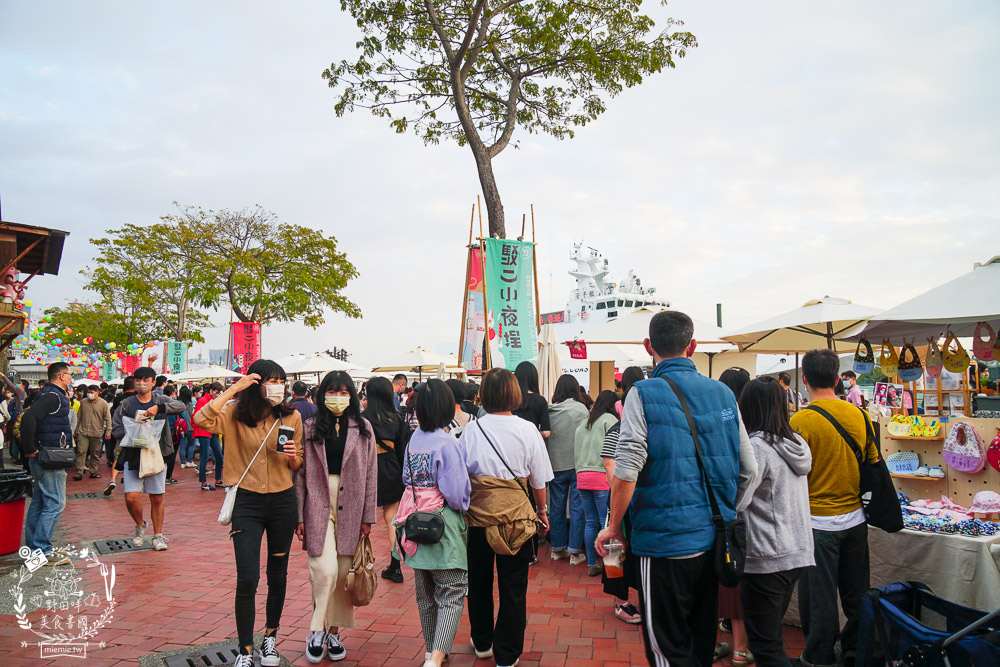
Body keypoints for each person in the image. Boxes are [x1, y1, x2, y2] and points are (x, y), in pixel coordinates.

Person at [596, 310, 758, 667]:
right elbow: (750, 470)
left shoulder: (642, 392)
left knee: (667, 649)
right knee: (701, 644)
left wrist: (614, 526)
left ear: (648, 346)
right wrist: (727, 511)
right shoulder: (723, 394)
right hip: (712, 543)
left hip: (662, 544)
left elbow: (627, 467)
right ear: (693, 346)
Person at [194, 359, 303, 667]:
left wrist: (293, 457)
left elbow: (298, 462)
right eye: (271, 381)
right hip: (247, 502)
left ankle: (270, 638)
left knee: (277, 574)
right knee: (248, 577)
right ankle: (245, 650)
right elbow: (201, 418)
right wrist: (234, 389)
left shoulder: (291, 416)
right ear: (255, 383)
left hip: (282, 502)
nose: (278, 387)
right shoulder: (234, 413)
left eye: (281, 381)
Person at [790, 349, 878, 667]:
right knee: (857, 594)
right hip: (855, 519)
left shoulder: (800, 421)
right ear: (838, 377)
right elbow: (871, 461)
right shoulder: (859, 415)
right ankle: (856, 651)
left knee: (819, 598)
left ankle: (819, 657)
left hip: (817, 522)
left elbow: (793, 472)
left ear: (804, 378)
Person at [460, 368, 552, 667]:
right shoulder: (528, 430)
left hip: (478, 518)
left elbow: (461, 477)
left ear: (483, 395)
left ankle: (482, 640)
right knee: (514, 586)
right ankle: (507, 653)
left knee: (479, 581)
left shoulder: (471, 431)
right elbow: (538, 480)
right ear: (514, 393)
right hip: (517, 518)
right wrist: (542, 511)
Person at [295, 370, 376, 664]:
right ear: (322, 394)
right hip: (318, 502)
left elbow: (371, 473)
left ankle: (333, 632)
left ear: (351, 396)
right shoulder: (309, 427)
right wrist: (299, 516)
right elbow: (299, 475)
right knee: (324, 570)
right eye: (332, 391)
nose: (337, 397)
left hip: (352, 504)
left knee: (343, 575)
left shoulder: (363, 427)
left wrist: (368, 515)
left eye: (343, 392)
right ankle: (316, 629)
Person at [736, 377, 814, 667]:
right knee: (769, 639)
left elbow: (739, 500)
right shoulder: (795, 442)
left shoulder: (757, 447)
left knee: (765, 647)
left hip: (767, 554)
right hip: (796, 550)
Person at [392, 380, 470, 667]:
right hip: (441, 524)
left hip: (413, 520)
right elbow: (457, 494)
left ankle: (431, 651)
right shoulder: (446, 442)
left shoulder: (414, 438)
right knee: (451, 590)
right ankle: (436, 658)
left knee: (425, 595)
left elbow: (406, 477)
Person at [110, 366, 186, 552]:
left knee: (156, 498)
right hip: (133, 455)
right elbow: (116, 429)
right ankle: (140, 524)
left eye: (145, 380)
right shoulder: (126, 404)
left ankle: (158, 536)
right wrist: (133, 430)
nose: (141, 384)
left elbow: (181, 406)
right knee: (131, 497)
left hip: (156, 454)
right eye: (138, 380)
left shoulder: (160, 399)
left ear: (153, 383)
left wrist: (159, 408)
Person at [599, 367, 643, 625]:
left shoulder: (621, 428)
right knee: (617, 547)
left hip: (625, 496)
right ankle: (622, 601)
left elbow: (609, 464)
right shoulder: (620, 430)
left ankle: (623, 600)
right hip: (628, 498)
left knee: (618, 548)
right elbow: (609, 463)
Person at [20, 362, 75, 566]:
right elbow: (29, 418)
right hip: (49, 455)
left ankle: (34, 550)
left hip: (45, 453)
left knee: (41, 502)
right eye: (69, 374)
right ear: (61, 376)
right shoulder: (53, 396)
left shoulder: (48, 394)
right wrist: (29, 447)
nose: (71, 378)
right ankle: (41, 550)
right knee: (55, 503)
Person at [717, 366, 754, 664]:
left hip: (718, 514)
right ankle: (741, 647)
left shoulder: (716, 415)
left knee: (719, 577)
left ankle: (716, 642)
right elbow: (749, 470)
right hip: (742, 516)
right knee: (738, 578)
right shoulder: (751, 421)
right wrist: (738, 504)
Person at [361, 376, 410, 584]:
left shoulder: (360, 419)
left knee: (360, 517)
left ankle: (356, 564)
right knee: (392, 518)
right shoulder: (397, 419)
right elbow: (402, 451)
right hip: (391, 468)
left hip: (365, 469)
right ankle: (395, 565)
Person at [546, 374, 589, 564]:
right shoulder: (581, 409)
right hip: (577, 463)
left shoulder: (550, 411)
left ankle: (557, 549)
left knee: (556, 507)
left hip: (555, 465)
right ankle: (574, 552)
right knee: (577, 508)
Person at [573, 390, 617, 576]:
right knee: (607, 521)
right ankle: (611, 567)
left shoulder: (584, 422)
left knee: (590, 522)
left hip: (582, 477)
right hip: (602, 476)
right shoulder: (610, 420)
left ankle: (592, 564)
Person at [74, 384, 111, 480]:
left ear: (97, 392)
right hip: (83, 432)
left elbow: (108, 418)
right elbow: (79, 417)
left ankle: (93, 472)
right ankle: (79, 472)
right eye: (88, 392)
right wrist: (76, 429)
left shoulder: (103, 403)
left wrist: (108, 431)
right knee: (81, 452)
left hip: (96, 432)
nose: (89, 394)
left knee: (95, 453)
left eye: (92, 392)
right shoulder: (83, 402)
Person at [192, 382, 225, 491]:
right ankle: (204, 482)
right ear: (211, 390)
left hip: (212, 431)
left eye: (219, 393)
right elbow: (196, 417)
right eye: (216, 392)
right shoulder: (202, 401)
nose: (217, 394)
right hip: (204, 431)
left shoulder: (213, 401)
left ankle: (218, 480)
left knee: (219, 456)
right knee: (205, 457)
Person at [512, 361, 551, 438]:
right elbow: (546, 433)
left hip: (512, 439)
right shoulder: (540, 400)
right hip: (531, 441)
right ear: (534, 378)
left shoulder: (510, 398)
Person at [177, 385, 198, 468]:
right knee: (191, 445)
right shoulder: (191, 405)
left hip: (181, 427)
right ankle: (189, 461)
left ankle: (182, 462)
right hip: (190, 427)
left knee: (182, 445)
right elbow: (194, 415)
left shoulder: (178, 404)